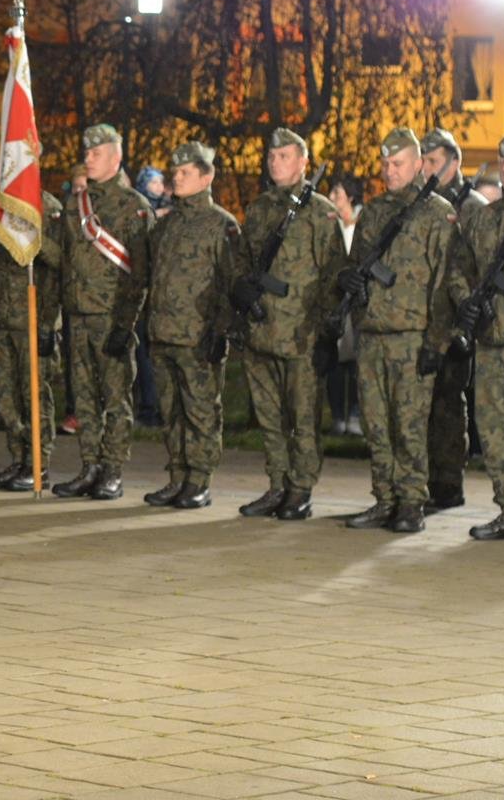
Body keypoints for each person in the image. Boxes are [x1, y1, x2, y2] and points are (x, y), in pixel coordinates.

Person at [339, 127, 456, 534]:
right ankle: (384, 499)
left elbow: (444, 285)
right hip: (373, 335)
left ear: (419, 164)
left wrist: (435, 343)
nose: (390, 171)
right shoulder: (372, 212)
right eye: (385, 164)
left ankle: (410, 502)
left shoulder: (438, 214)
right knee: (376, 424)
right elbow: (354, 266)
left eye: (398, 163)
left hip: (412, 337)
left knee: (408, 425)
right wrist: (349, 285)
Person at [231, 129, 345, 521]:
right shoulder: (260, 208)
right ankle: (277, 484)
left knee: (303, 418)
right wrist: (242, 290)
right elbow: (244, 259)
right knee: (269, 416)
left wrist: (326, 332)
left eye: (284, 156)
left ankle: (301, 488)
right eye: (272, 156)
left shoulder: (321, 212)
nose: (275, 162)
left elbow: (334, 276)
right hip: (260, 331)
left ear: (302, 162)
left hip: (300, 335)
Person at [54, 124, 151, 500]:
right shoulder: (75, 205)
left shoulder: (133, 206)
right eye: (86, 152)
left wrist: (126, 323)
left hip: (112, 318)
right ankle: (89, 466)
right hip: (77, 316)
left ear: (116, 157)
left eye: (96, 153)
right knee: (82, 398)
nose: (88, 158)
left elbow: (140, 273)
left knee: (114, 399)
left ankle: (112, 470)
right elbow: (63, 260)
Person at [143, 143, 239, 509]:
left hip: (198, 337)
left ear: (207, 176)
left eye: (185, 173)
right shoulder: (165, 225)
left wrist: (220, 332)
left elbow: (231, 284)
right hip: (163, 333)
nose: (176, 177)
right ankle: (177, 477)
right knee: (171, 412)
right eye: (175, 172)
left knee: (201, 412)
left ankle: (199, 480)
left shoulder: (221, 224)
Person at [0, 169, 64, 492]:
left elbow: (59, 265)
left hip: (33, 318)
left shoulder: (44, 207)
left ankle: (38, 464)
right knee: (7, 396)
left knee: (35, 396)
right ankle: (18, 458)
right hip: (2, 319)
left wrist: (47, 323)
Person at [451, 145, 504, 540]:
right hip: (491, 341)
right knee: (492, 430)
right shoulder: (484, 219)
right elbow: (459, 265)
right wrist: (468, 300)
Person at [420, 128, 471, 513]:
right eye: (423, 161)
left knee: (448, 406)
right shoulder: (423, 204)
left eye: (433, 162)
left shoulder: (470, 207)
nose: (426, 169)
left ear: (454, 163)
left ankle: (448, 485)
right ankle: (422, 481)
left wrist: (463, 328)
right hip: (424, 321)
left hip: (456, 327)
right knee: (421, 406)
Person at [327, 172, 363, 436]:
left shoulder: (363, 223)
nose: (331, 198)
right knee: (337, 363)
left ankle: (355, 416)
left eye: (336, 194)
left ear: (350, 197)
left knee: (357, 363)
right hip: (337, 302)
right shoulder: (331, 224)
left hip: (358, 305)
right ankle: (338, 416)